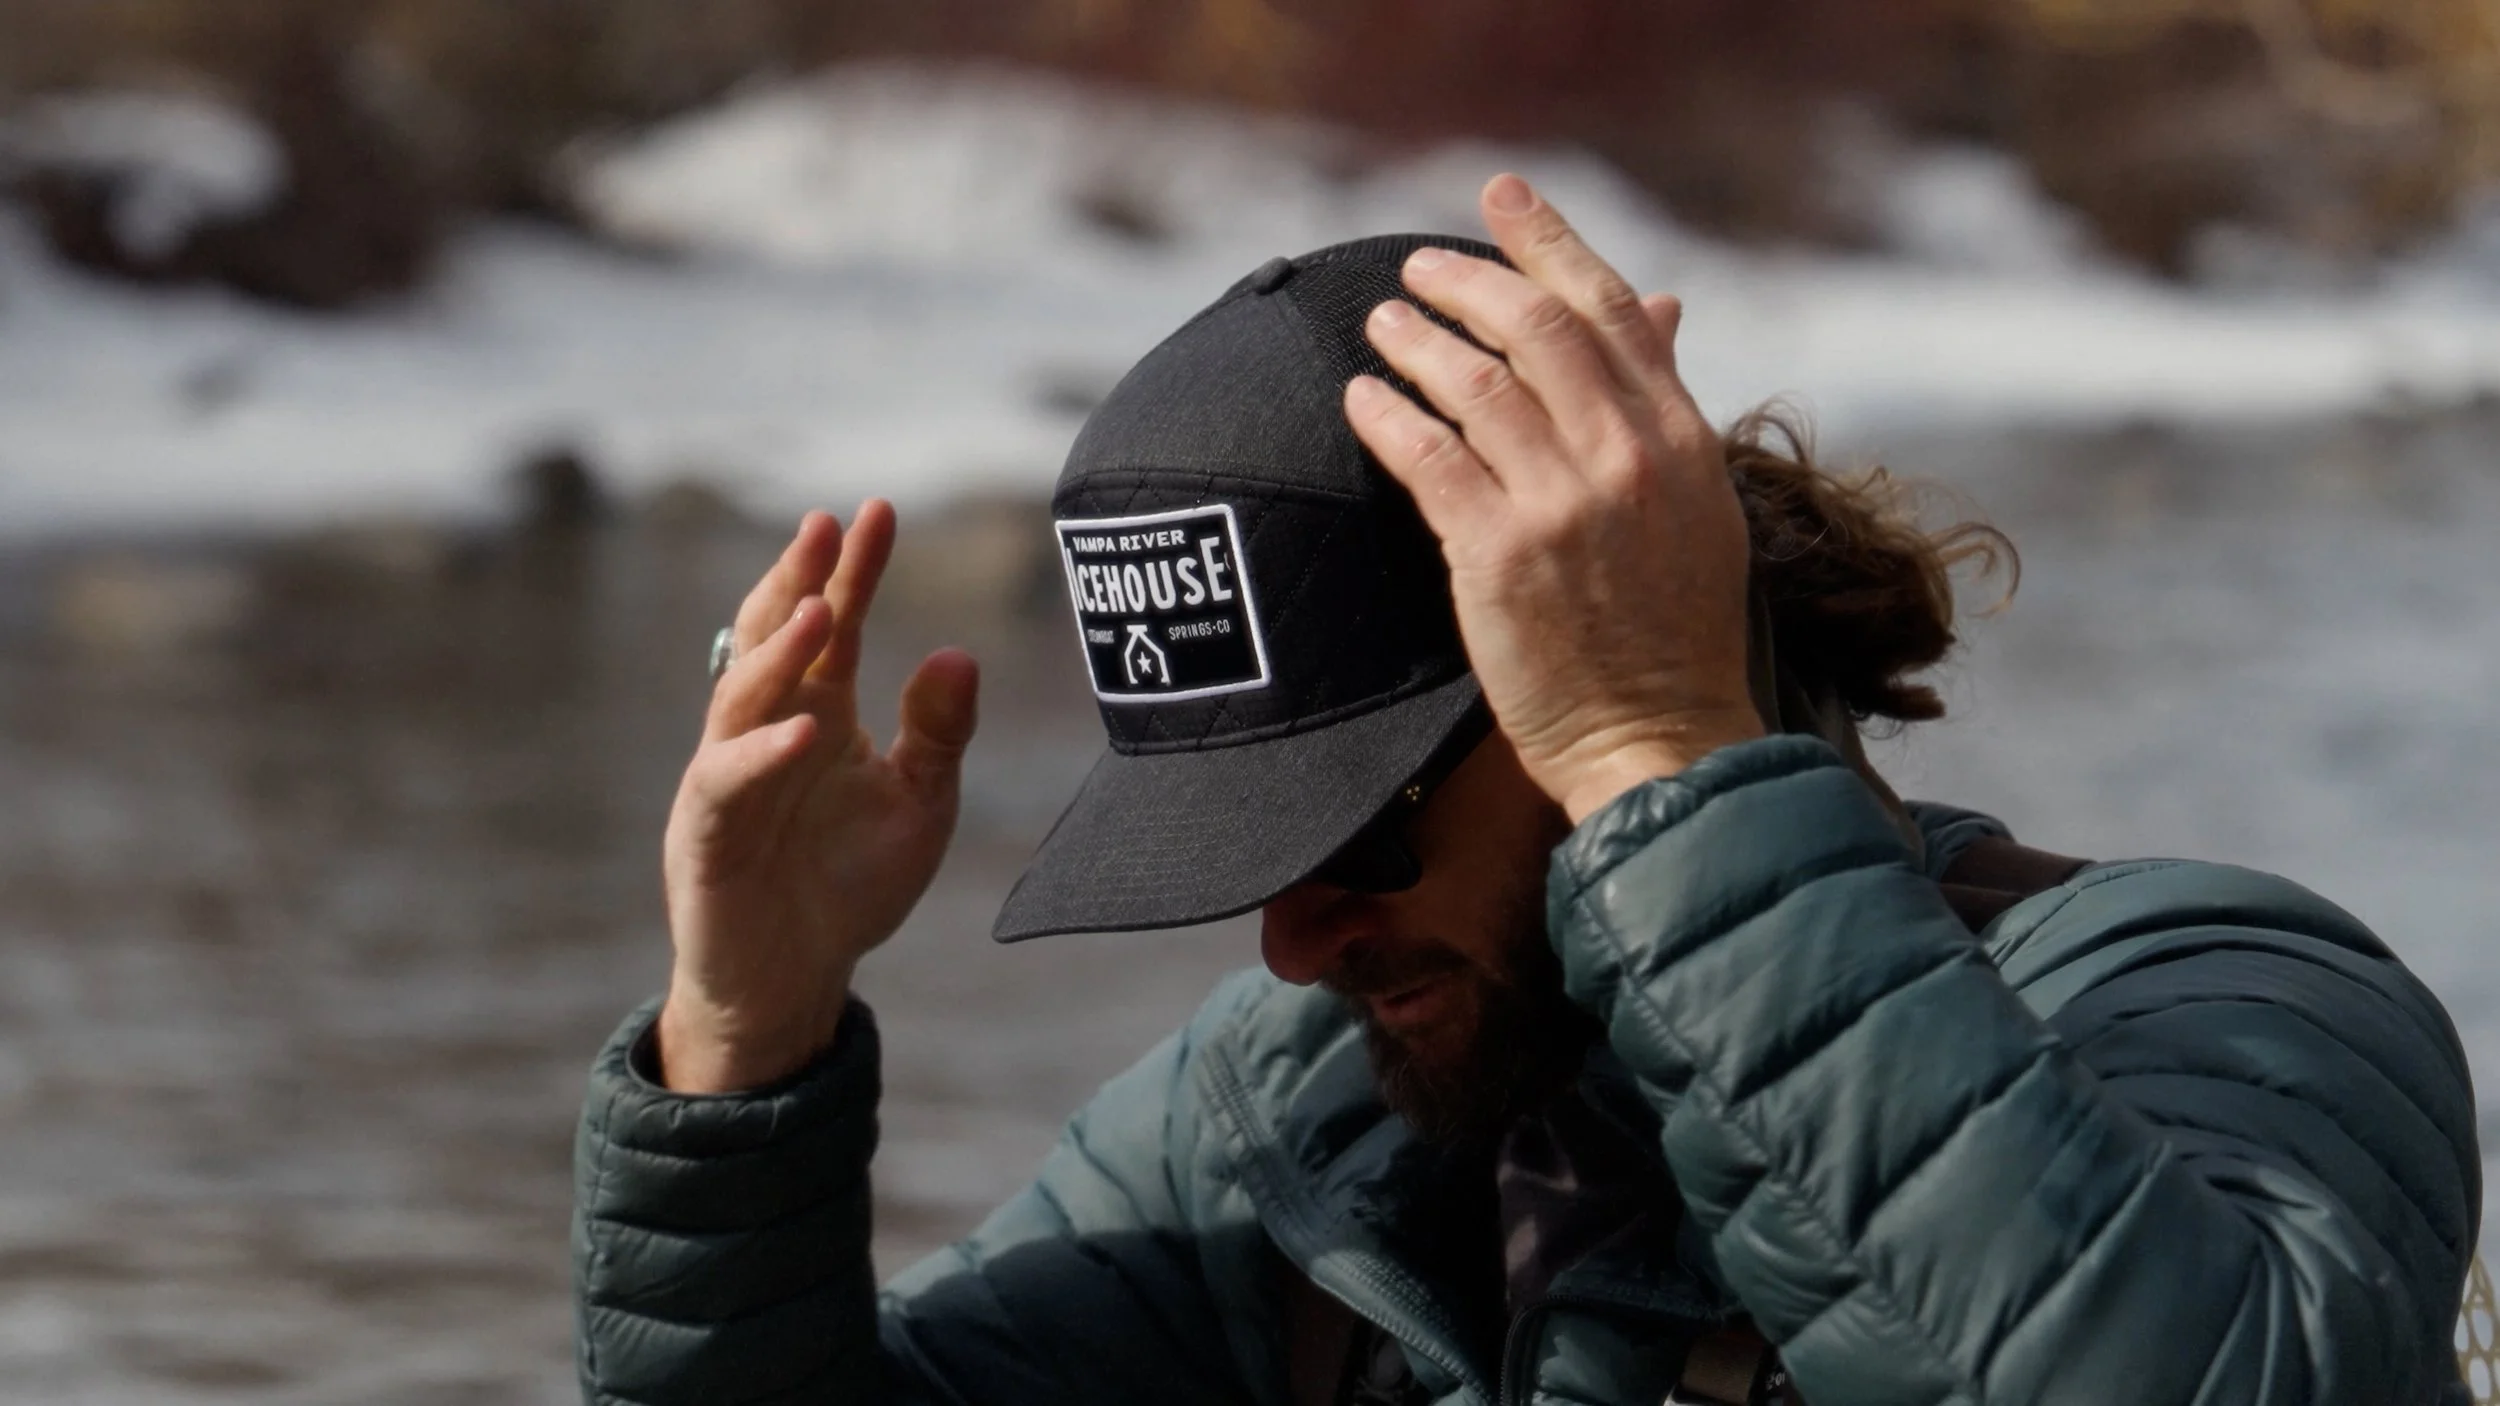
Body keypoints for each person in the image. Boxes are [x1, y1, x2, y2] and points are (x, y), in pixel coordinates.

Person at [571, 174, 2480, 1405]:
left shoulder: (2212, 997)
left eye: (1353, 831)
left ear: (1591, 663)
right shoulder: (1299, 1125)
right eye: (1240, 852)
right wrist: (746, 1050)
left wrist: (1668, 737)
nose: (1297, 939)